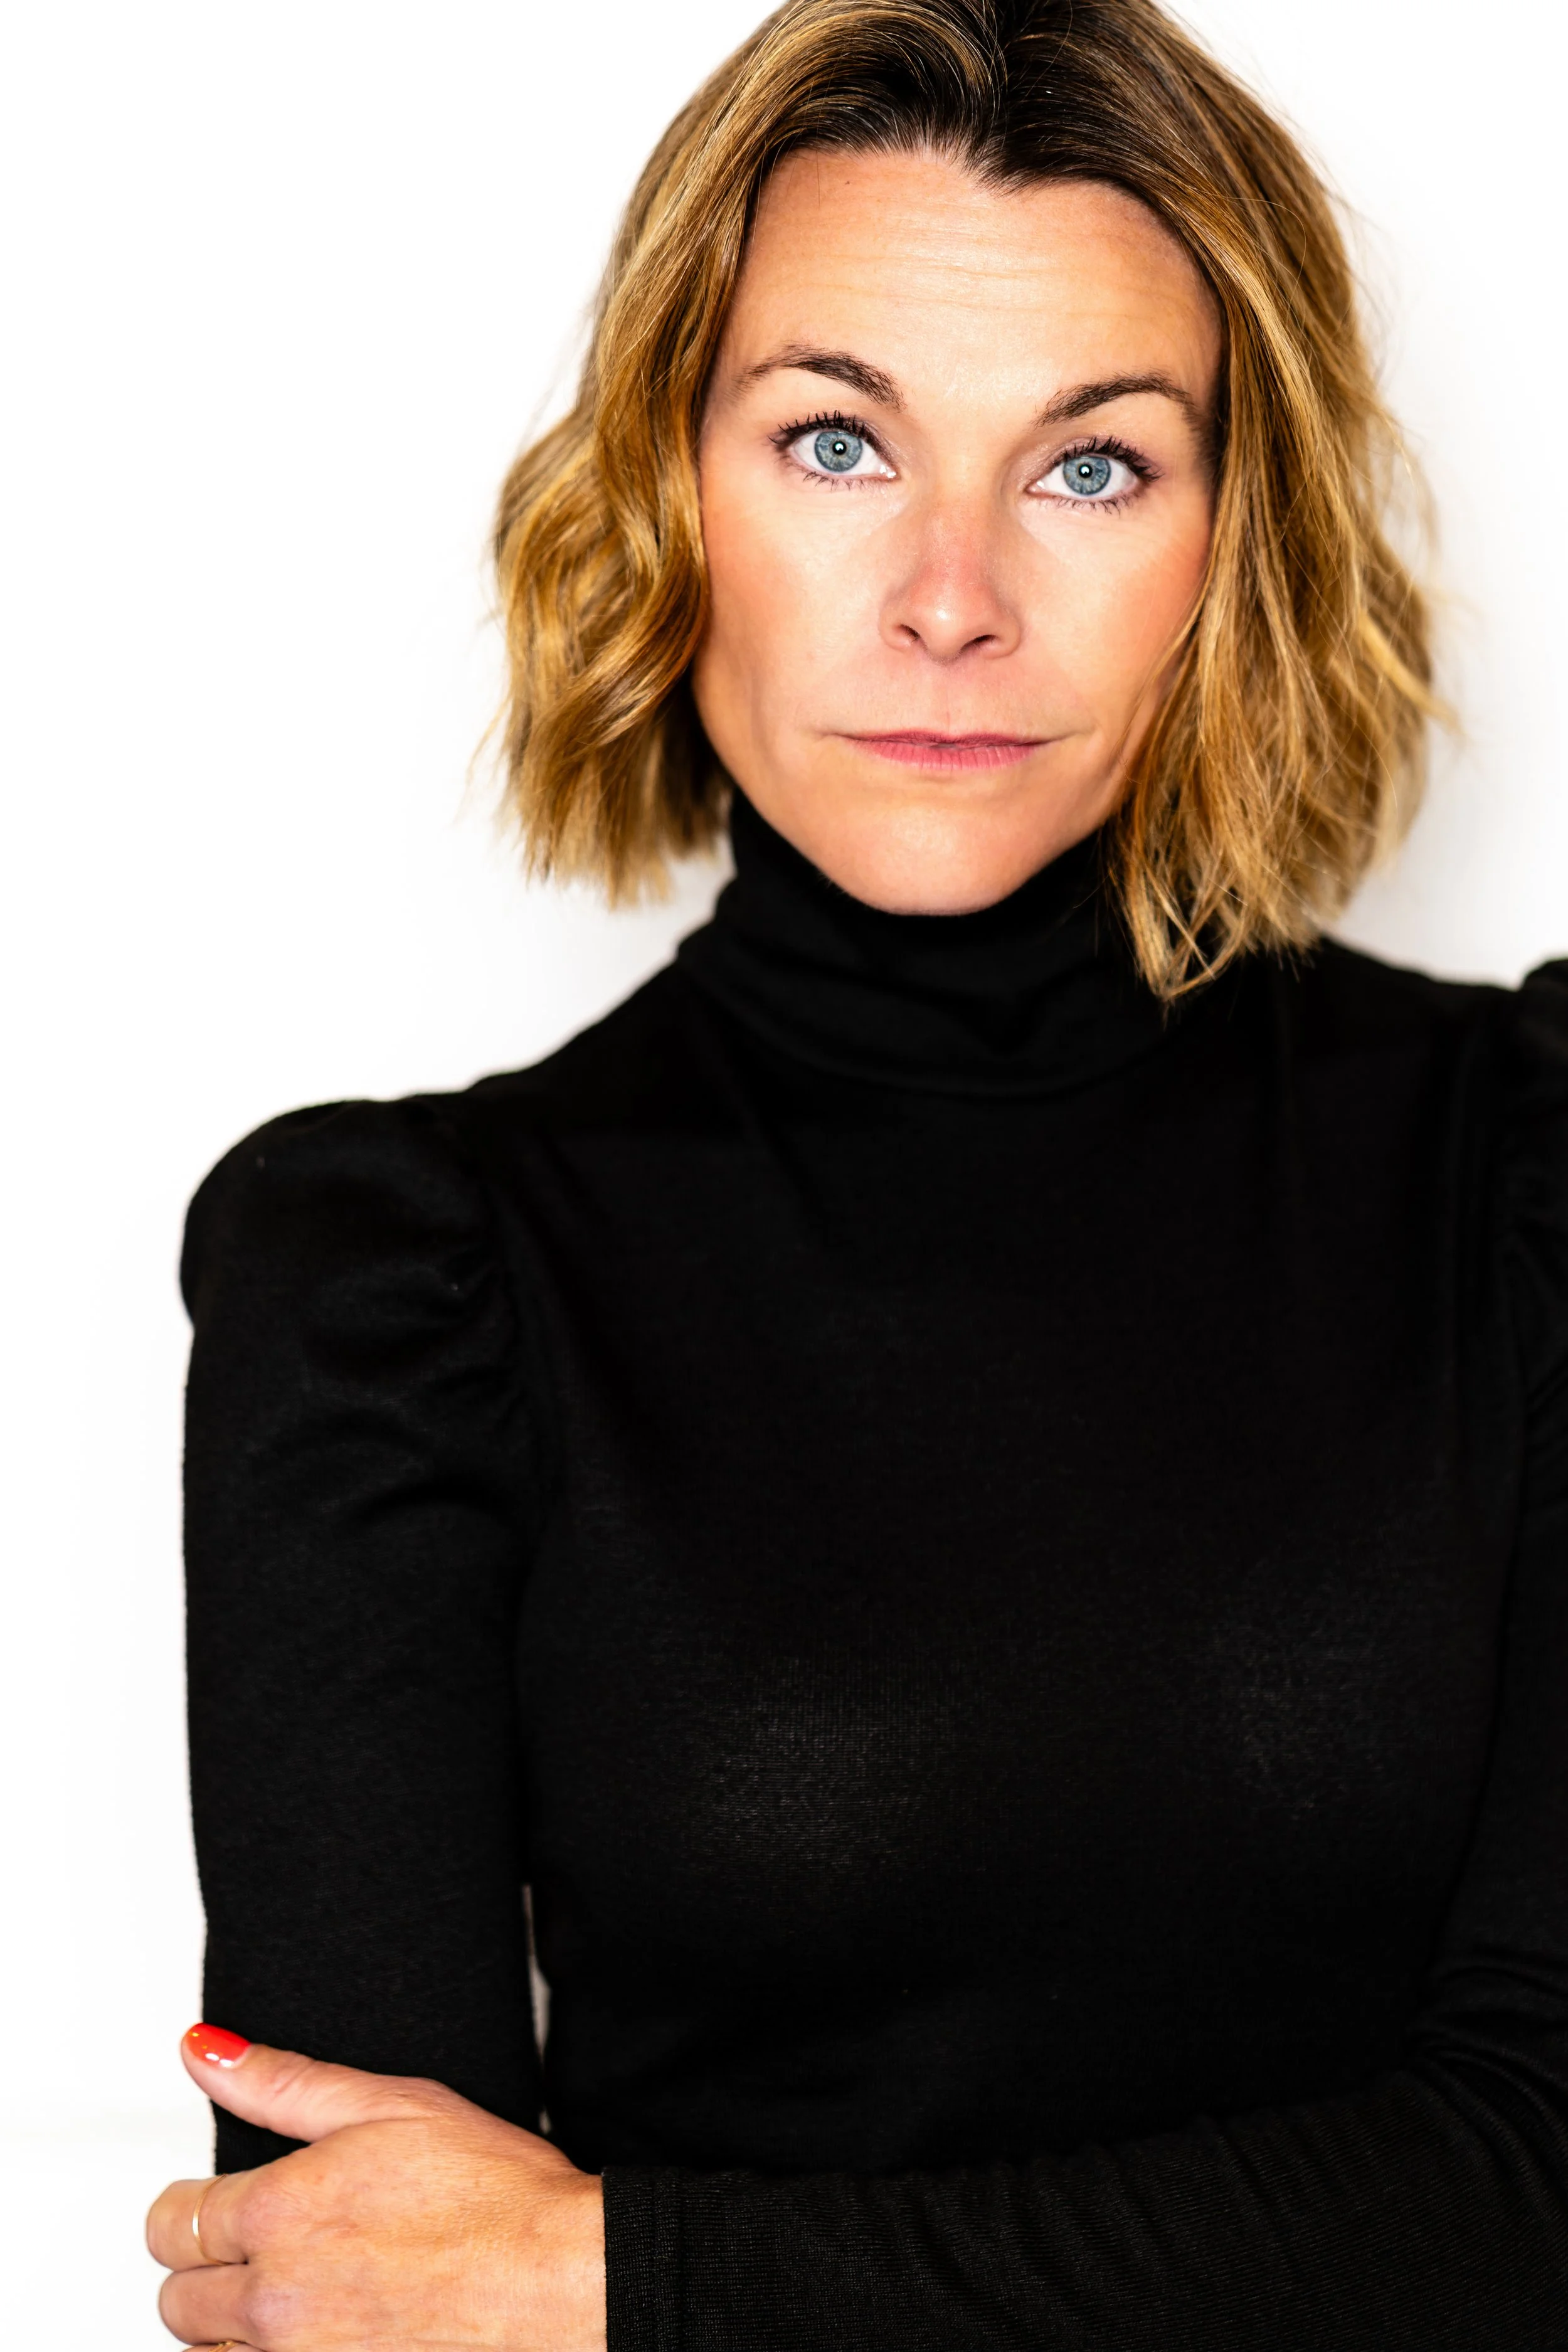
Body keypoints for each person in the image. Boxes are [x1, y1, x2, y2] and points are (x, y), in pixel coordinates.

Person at [148, 0, 1568, 2344]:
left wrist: (635, 2272)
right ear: (662, 482)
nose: (947, 596)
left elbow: (1538, 2187)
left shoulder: (1517, 1168)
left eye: (1090, 467)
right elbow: (369, 2289)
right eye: (832, 439)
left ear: (1241, 533)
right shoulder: (394, 1278)